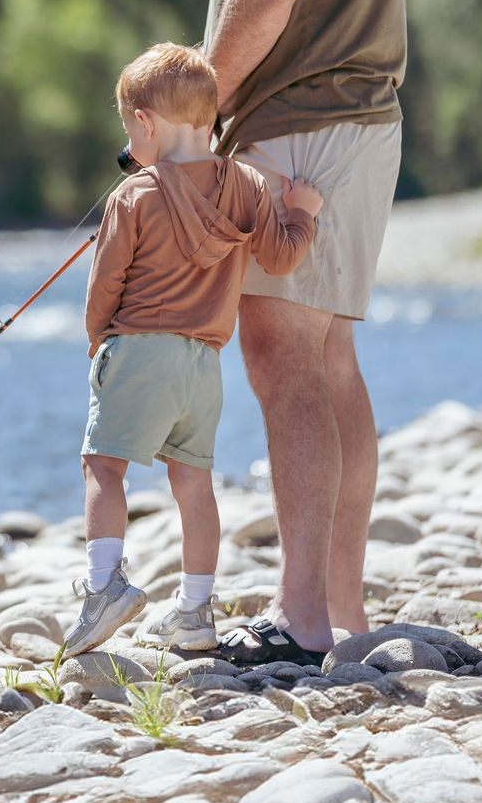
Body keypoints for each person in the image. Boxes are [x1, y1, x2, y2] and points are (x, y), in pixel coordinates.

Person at [158, 0, 408, 666]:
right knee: (325, 356)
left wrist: (185, 120)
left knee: (282, 355)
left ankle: (302, 618)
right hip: (350, 118)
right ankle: (340, 610)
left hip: (305, 121)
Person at [63, 43, 321, 655]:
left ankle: (104, 589)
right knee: (194, 485)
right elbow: (281, 258)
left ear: (145, 122)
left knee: (103, 467)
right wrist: (303, 214)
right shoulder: (248, 185)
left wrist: (100, 347)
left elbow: (105, 288)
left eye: (130, 129)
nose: (130, 143)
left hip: (138, 350)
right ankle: (196, 611)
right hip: (204, 364)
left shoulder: (133, 197)